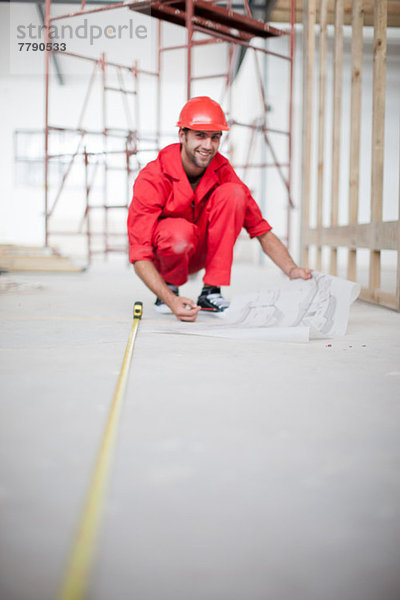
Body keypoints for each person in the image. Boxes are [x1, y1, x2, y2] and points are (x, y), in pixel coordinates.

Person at [127, 96, 311, 322]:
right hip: (170, 253)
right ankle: (170, 286)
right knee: (177, 233)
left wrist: (292, 270)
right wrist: (170, 299)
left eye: (215, 138)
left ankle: (210, 292)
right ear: (182, 135)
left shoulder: (222, 170)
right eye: (200, 136)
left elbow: (259, 228)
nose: (208, 145)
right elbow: (139, 254)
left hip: (204, 250)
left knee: (234, 193)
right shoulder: (153, 177)